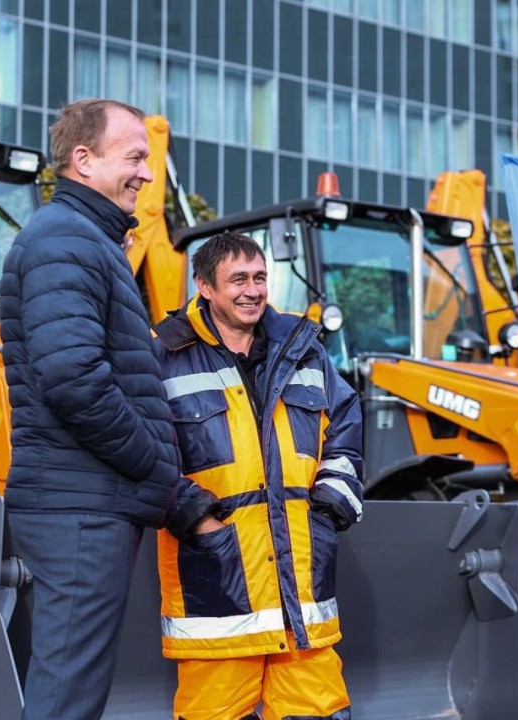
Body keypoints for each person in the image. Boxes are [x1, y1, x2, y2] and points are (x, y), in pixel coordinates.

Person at [0, 99, 217, 720]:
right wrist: (161, 476)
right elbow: (74, 380)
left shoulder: (86, 241)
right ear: (83, 159)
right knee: (67, 695)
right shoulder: (66, 239)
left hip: (88, 499)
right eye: (136, 157)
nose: (147, 174)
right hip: (81, 507)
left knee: (72, 686)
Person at [152, 231, 363, 720]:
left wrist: (330, 503)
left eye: (261, 277)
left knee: (318, 711)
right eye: (238, 279)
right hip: (217, 587)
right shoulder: (162, 355)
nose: (253, 290)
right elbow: (145, 451)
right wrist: (194, 516)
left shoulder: (302, 346)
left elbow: (346, 421)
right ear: (204, 286)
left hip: (302, 593)